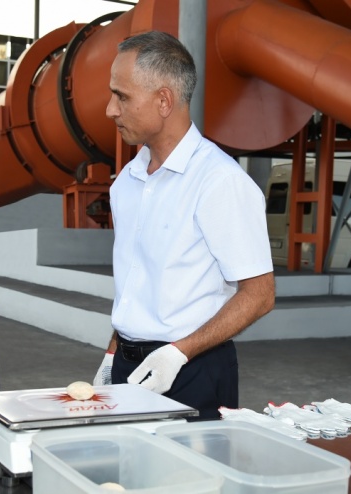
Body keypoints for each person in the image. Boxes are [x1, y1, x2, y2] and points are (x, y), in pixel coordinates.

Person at [93, 31, 275, 419]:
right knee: (129, 478)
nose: (110, 109)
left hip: (194, 371)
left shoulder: (218, 181)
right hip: (128, 366)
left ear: (163, 101)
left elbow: (259, 294)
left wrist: (180, 353)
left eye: (121, 96)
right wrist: (112, 355)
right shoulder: (127, 181)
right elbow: (135, 283)